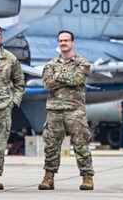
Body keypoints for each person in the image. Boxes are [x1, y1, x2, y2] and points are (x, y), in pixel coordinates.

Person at [38, 30, 94, 191]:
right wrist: (66, 77)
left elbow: (77, 79)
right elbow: (47, 84)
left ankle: (87, 177)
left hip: (75, 110)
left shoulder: (82, 63)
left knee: (80, 144)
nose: (63, 43)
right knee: (51, 145)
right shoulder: (50, 64)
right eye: (61, 41)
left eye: (66, 40)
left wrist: (57, 76)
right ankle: (49, 178)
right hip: (54, 110)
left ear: (73, 42)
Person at [0, 24, 25, 190]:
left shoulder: (10, 59)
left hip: (2, 108)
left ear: (1, 37)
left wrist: (14, 102)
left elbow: (20, 83)